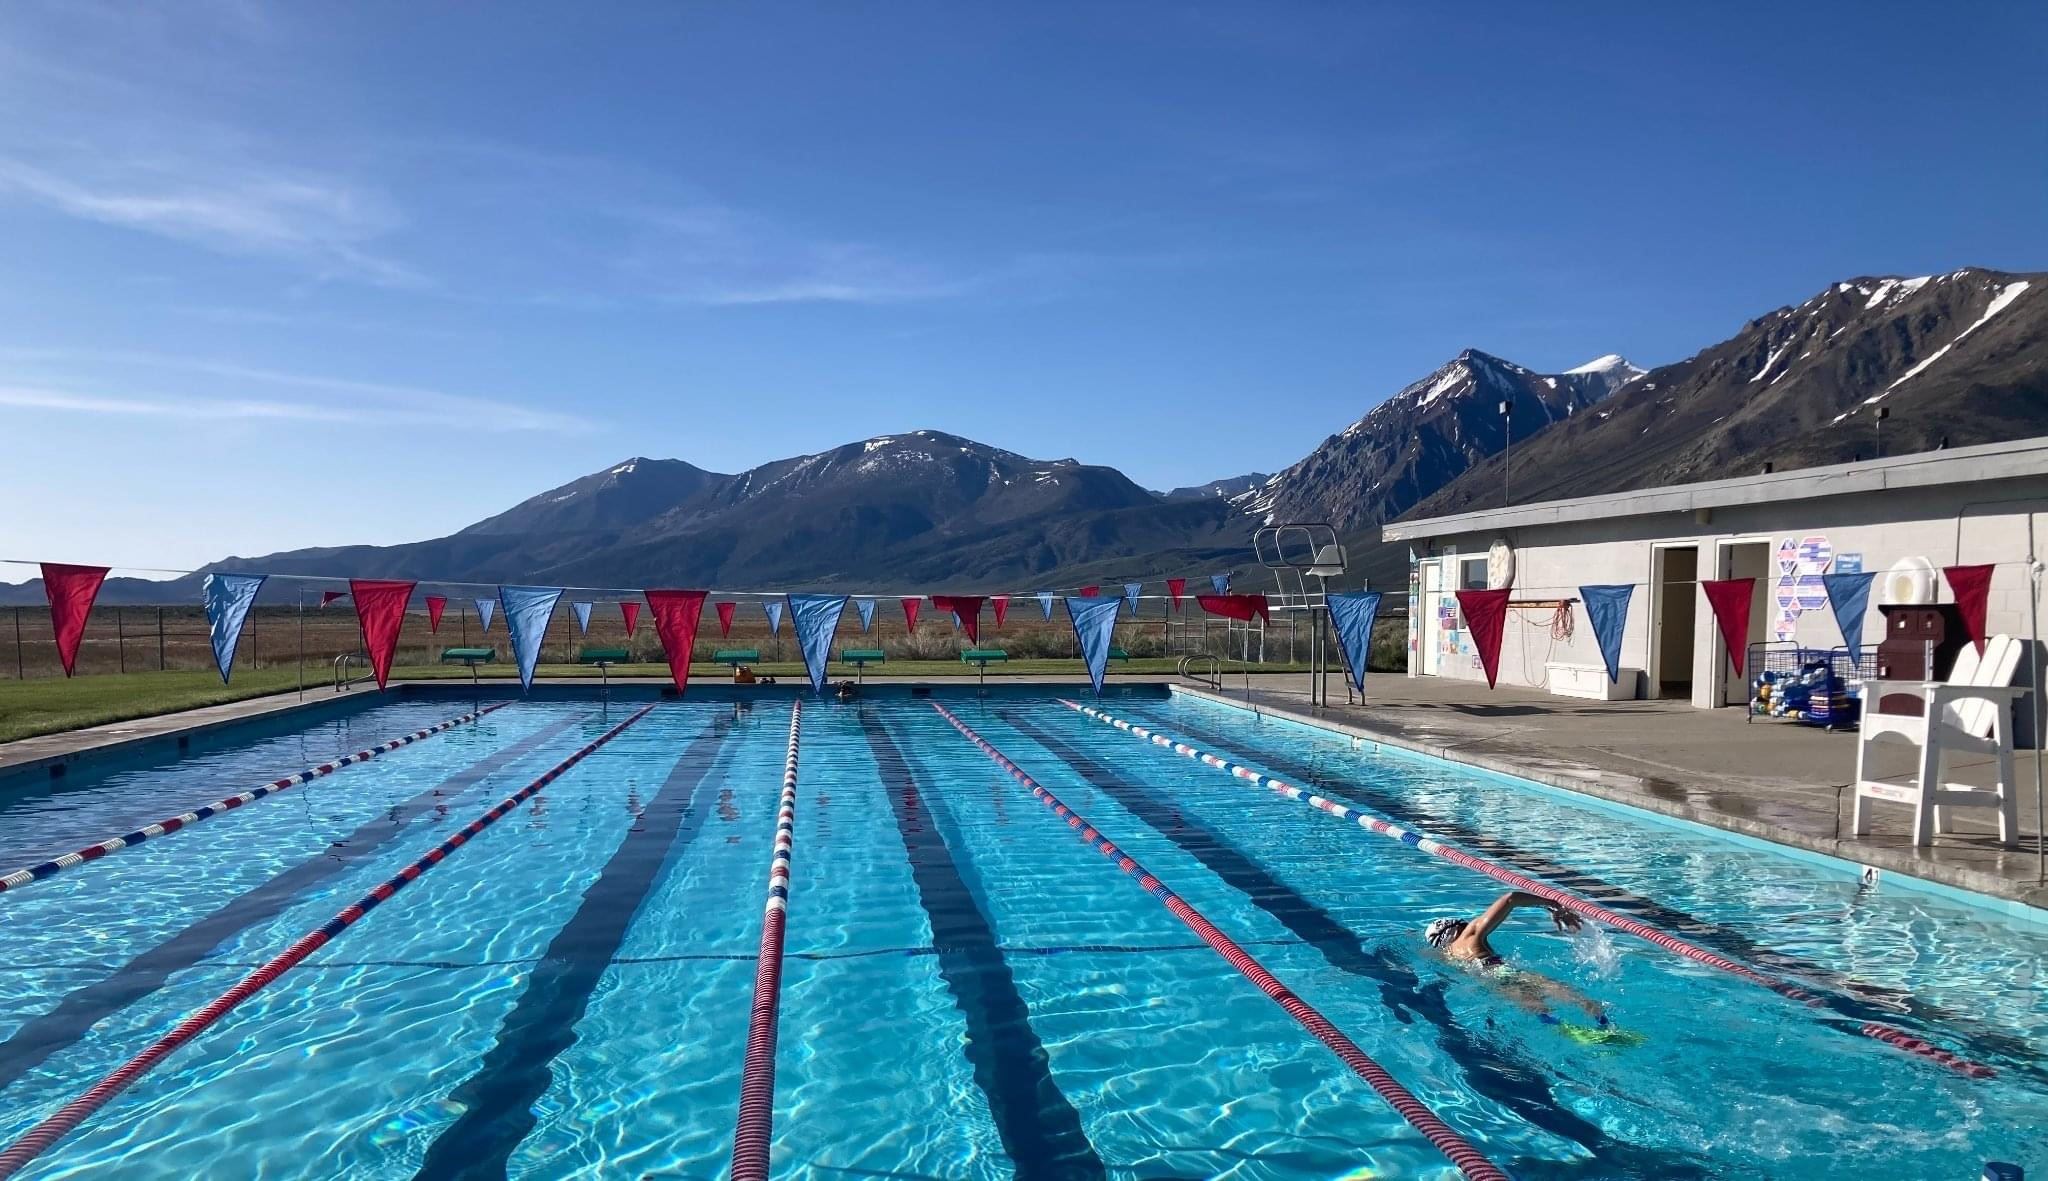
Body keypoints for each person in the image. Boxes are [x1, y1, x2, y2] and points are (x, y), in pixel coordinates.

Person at [1425, 891, 1608, 1027]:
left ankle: (1565, 1029)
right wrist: (1553, 905)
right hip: (1501, 971)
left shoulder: (1447, 955)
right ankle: (1601, 1020)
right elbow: (1510, 898)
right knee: (1564, 992)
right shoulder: (1469, 934)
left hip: (1489, 983)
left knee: (1538, 1009)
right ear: (1455, 927)